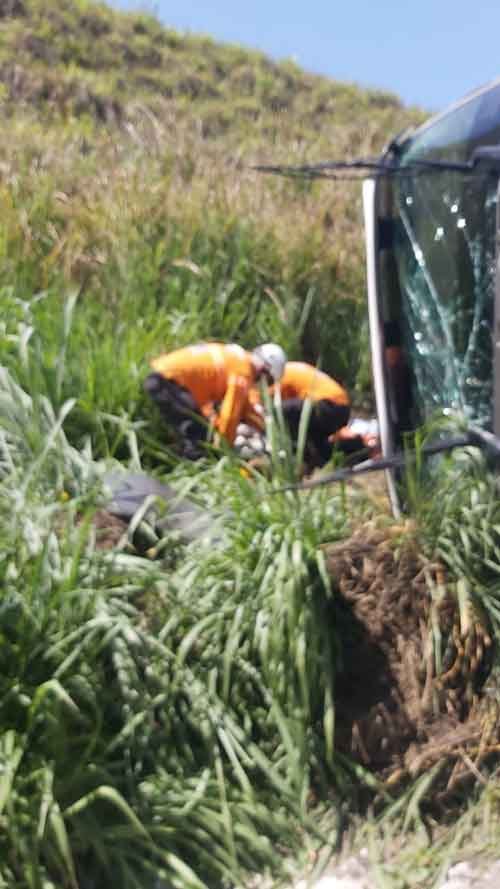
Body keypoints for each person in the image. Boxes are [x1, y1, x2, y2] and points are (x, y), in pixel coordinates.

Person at [144, 341, 286, 459]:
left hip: (164, 374)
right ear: (265, 370)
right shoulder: (243, 373)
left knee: (198, 428)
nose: (262, 384)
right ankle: (192, 477)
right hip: (168, 382)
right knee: (197, 438)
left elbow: (245, 406)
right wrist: (223, 449)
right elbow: (230, 414)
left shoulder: (238, 358)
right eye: (268, 381)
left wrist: (260, 426)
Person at [273, 361, 351, 465]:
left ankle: (296, 457)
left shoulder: (281, 374)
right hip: (342, 408)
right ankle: (356, 447)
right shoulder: (292, 368)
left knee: (278, 411)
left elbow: (265, 403)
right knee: (318, 447)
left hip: (327, 404)